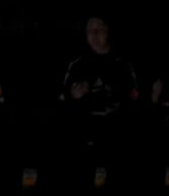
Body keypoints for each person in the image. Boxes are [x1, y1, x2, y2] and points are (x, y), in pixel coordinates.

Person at [59, 16, 138, 147]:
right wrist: (72, 94)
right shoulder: (77, 64)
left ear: (108, 30)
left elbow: (135, 96)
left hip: (117, 132)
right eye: (90, 30)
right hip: (86, 133)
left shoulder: (123, 63)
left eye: (99, 29)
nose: (94, 34)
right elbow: (62, 96)